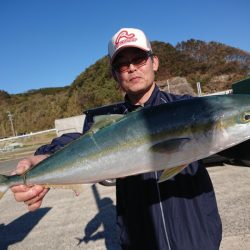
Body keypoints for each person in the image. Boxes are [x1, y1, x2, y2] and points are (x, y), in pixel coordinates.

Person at [11, 28, 222, 250]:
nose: (131, 68)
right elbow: (79, 143)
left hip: (198, 236)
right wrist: (40, 159)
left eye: (139, 59)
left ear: (154, 62)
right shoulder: (110, 124)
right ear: (115, 75)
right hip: (140, 241)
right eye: (122, 64)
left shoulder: (188, 107)